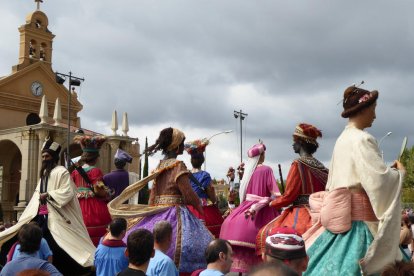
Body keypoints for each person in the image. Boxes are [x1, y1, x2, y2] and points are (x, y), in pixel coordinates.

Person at [303, 85, 406, 275]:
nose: (375, 116)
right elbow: (378, 181)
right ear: (364, 109)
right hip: (362, 226)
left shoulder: (342, 139)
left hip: (339, 229)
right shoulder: (362, 139)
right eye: (373, 110)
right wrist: (399, 173)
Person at [109, 127, 213, 274]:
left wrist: (150, 210)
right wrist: (198, 206)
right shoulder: (178, 166)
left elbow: (153, 192)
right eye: (182, 143)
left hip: (158, 210)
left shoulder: (159, 165)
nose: (183, 146)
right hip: (176, 212)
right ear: (176, 146)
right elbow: (188, 194)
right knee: (199, 243)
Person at [0, 139, 95, 274]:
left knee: (59, 245)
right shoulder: (44, 174)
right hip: (39, 216)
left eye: (47, 156)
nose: (44, 159)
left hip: (56, 218)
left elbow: (68, 192)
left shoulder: (62, 171)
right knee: (16, 237)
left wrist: (49, 195)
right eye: (43, 156)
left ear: (54, 157)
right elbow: (35, 198)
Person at [256, 123, 328, 256]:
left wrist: (271, 203)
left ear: (301, 143)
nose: (292, 145)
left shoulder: (298, 164)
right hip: (322, 213)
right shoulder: (323, 167)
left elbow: (289, 196)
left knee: (264, 233)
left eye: (295, 142)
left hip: (301, 212)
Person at [220, 142, 281, 273]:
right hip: (263, 209)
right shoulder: (267, 170)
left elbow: (242, 193)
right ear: (261, 155)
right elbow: (275, 194)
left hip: (246, 207)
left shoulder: (248, 171)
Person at [71, 135, 112, 246]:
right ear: (95, 158)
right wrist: (106, 193)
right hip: (93, 207)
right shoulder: (96, 171)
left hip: (78, 206)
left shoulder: (75, 172)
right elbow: (98, 190)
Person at [185, 138, 224, 238]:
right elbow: (211, 192)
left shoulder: (185, 175)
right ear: (202, 161)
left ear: (191, 160)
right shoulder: (205, 175)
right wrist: (215, 201)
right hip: (203, 210)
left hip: (188, 209)